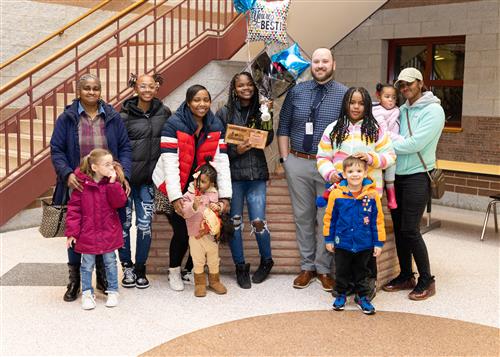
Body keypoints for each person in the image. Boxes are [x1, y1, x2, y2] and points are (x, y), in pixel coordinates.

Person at [50, 73, 132, 302]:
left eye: (96, 88)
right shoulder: (67, 118)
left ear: (100, 90)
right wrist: (66, 174)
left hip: (106, 185)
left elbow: (125, 147)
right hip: (79, 184)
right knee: (77, 230)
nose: (92, 92)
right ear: (79, 91)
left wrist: (122, 174)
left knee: (103, 227)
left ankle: (104, 278)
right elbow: (56, 149)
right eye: (87, 88)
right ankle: (75, 280)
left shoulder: (112, 117)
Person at [277, 47, 348, 292]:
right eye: (316, 61)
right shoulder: (297, 91)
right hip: (297, 162)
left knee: (325, 219)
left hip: (328, 166)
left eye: (324, 61)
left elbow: (350, 131)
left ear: (333, 65)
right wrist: (286, 161)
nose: (320, 65)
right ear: (311, 65)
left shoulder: (345, 94)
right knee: (303, 217)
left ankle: (323, 269)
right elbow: (283, 126)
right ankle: (306, 267)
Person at [316, 87, 395, 299]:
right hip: (342, 196)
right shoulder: (333, 129)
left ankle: (367, 286)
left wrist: (372, 159)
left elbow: (390, 156)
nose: (356, 107)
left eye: (361, 103)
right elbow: (322, 157)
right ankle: (346, 284)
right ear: (345, 104)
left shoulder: (375, 130)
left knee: (366, 239)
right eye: (352, 102)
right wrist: (330, 173)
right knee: (344, 238)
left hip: (368, 196)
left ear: (367, 105)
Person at [152, 84, 232, 292]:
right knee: (181, 231)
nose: (202, 104)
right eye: (197, 100)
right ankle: (174, 271)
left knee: (200, 229)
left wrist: (225, 197)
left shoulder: (215, 125)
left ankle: (190, 270)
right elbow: (170, 164)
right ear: (188, 102)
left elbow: (221, 162)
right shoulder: (173, 124)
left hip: (201, 188)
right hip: (171, 186)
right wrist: (176, 198)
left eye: (206, 99)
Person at [382, 67, 445, 300]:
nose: (405, 87)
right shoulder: (402, 110)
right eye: (401, 85)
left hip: (419, 175)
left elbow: (415, 144)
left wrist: (382, 145)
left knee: (410, 229)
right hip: (398, 175)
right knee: (399, 229)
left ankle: (427, 280)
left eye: (409, 83)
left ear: (420, 83)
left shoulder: (434, 110)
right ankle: (406, 275)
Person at [217, 71, 274, 289]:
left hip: (257, 175)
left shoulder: (262, 109)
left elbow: (267, 139)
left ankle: (267, 261)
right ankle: (240, 266)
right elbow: (219, 146)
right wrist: (235, 150)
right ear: (234, 88)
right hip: (233, 176)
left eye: (249, 84)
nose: (246, 88)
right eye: (241, 85)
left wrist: (267, 114)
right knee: (235, 223)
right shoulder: (223, 112)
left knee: (259, 222)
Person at [118, 73, 171, 289]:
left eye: (151, 86)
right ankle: (126, 267)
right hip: (126, 182)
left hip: (148, 183)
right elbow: (116, 146)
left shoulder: (164, 112)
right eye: (143, 86)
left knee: (144, 226)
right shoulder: (123, 116)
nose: (147, 90)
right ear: (136, 88)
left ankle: (140, 267)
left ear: (157, 88)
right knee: (124, 226)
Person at [65, 149, 128, 309]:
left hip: (108, 231)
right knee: (86, 265)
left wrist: (114, 183)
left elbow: (119, 203)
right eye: (107, 164)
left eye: (112, 163)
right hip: (88, 233)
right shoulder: (81, 186)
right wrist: (72, 233)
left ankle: (113, 291)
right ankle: (87, 293)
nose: (111, 167)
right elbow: (74, 210)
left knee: (110, 262)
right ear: (94, 168)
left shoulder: (111, 183)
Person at [323, 156, 385, 315]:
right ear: (344, 173)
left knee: (362, 273)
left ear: (365, 173)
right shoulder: (337, 194)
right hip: (342, 242)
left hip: (365, 243)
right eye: (350, 171)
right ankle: (341, 295)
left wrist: (378, 243)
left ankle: (363, 297)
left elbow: (377, 220)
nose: (355, 174)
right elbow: (330, 217)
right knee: (342, 271)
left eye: (359, 171)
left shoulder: (372, 195)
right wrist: (329, 239)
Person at [181, 158, 227, 297]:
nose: (200, 184)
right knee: (198, 260)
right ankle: (200, 284)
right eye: (198, 180)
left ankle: (214, 281)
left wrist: (217, 207)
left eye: (204, 181)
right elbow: (184, 212)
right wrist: (193, 205)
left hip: (211, 236)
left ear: (211, 183)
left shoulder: (214, 194)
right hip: (195, 235)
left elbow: (220, 211)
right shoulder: (189, 194)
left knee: (214, 260)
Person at [372, 83, 400, 209]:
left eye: (394, 97)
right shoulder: (376, 111)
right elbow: (384, 132)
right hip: (379, 146)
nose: (391, 100)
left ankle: (391, 194)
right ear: (379, 97)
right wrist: (402, 139)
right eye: (387, 96)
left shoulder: (396, 111)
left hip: (391, 145)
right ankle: (384, 195)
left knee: (391, 165)